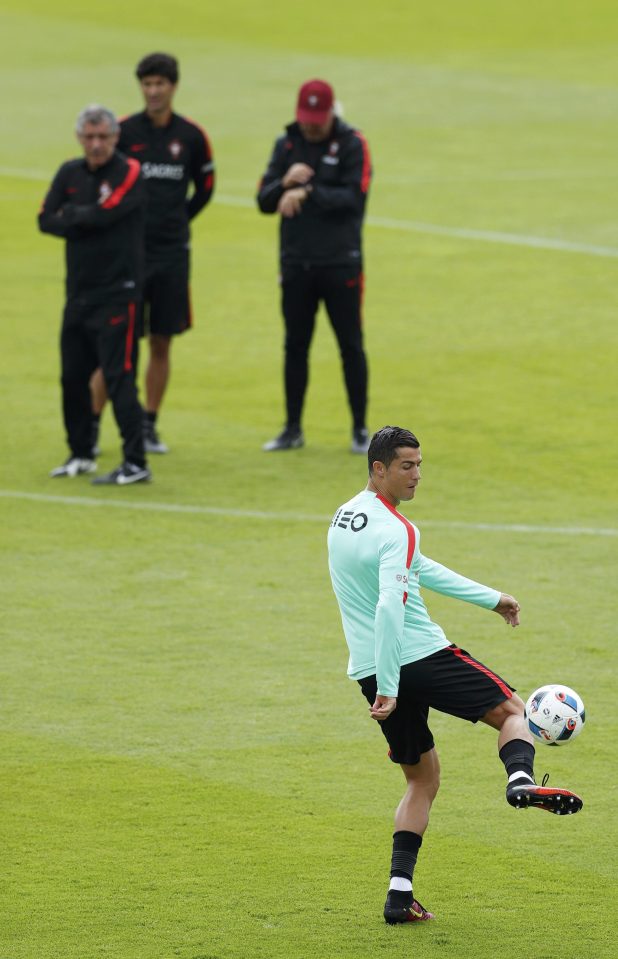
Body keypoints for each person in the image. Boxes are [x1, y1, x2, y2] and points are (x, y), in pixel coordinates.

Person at [327, 426, 583, 925]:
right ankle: (520, 780)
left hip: (367, 666)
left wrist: (491, 598)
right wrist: (392, 684)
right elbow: (388, 607)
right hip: (417, 656)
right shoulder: (397, 528)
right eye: (407, 466)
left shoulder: (343, 518)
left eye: (420, 464)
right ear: (378, 469)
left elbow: (417, 568)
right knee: (515, 710)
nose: (417, 475)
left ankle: (399, 896)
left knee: (421, 779)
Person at [91, 52, 215, 454]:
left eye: (160, 83)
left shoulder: (191, 137)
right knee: (115, 342)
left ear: (173, 87)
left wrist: (178, 220)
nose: (154, 90)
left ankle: (149, 424)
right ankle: (89, 429)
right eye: (147, 83)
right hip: (128, 256)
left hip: (172, 255)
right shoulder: (123, 133)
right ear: (140, 87)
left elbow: (206, 187)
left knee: (161, 341)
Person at [257, 78, 372, 454]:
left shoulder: (353, 144)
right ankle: (292, 428)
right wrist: (283, 183)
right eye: (305, 118)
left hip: (341, 264)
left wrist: (307, 191)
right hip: (296, 265)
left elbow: (354, 198)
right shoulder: (286, 144)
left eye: (316, 119)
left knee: (350, 346)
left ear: (329, 113)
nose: (310, 125)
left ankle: (359, 428)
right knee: (295, 346)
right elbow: (263, 199)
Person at [39, 104, 150, 486]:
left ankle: (135, 461)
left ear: (115, 137)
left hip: (119, 294)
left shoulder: (129, 170)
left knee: (119, 378)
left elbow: (108, 212)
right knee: (72, 377)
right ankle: (81, 453)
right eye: (90, 136)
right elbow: (44, 218)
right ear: (79, 138)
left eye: (103, 136)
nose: (97, 144)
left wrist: (73, 215)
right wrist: (84, 216)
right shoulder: (69, 172)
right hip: (79, 294)